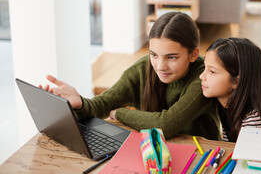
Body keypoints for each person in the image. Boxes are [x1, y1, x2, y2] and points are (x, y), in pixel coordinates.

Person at [40, 12, 221, 140]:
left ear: (193, 54)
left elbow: (165, 125)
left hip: (202, 155)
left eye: (171, 57)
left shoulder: (204, 77)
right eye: (154, 54)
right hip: (158, 152)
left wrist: (119, 113)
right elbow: (101, 105)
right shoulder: (143, 68)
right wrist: (79, 102)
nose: (160, 66)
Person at [199, 37, 261, 142]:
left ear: (236, 81)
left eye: (212, 71)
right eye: (205, 68)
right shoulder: (226, 104)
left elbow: (246, 157)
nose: (202, 76)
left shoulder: (255, 122)